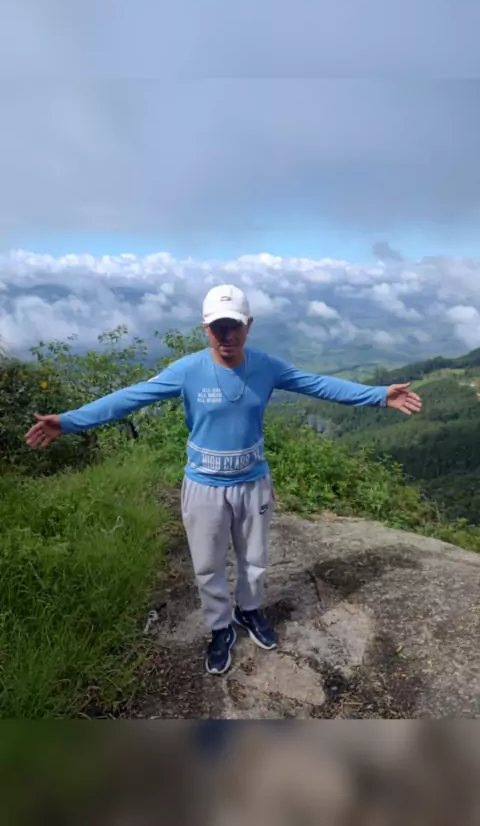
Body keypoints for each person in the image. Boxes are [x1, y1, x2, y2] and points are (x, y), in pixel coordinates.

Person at [26, 285, 422, 675]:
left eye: (234, 326)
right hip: (204, 485)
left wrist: (378, 395)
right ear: (205, 327)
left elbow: (316, 383)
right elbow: (131, 397)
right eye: (218, 327)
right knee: (207, 564)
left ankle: (249, 611)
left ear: (248, 325)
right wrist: (69, 422)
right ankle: (220, 628)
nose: (226, 336)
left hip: (252, 482)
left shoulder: (265, 366)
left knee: (255, 560)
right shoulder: (188, 370)